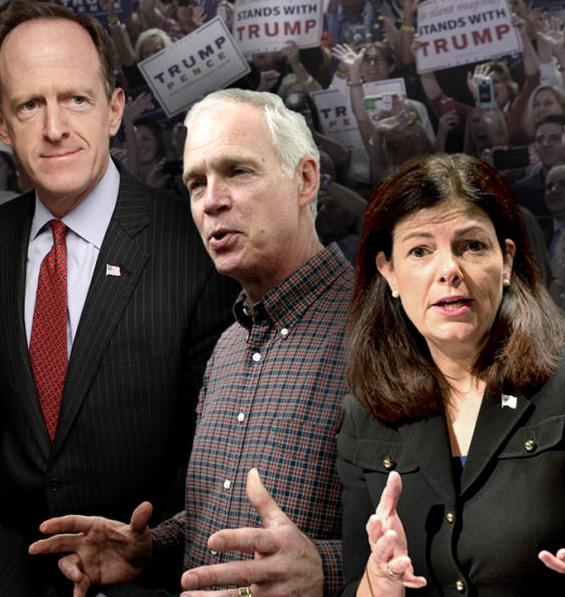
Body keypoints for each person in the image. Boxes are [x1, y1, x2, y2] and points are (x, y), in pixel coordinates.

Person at [0, 0, 236, 596]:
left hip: (139, 569)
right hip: (3, 560)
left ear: (115, 109)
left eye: (76, 99)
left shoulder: (190, 244)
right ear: (0, 122)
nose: (54, 127)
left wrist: (157, 548)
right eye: (30, 105)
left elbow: (214, 437)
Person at [29, 89, 355, 596]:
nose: (211, 201)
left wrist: (325, 572)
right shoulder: (226, 349)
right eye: (196, 182)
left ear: (306, 180)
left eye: (238, 172)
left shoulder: (383, 332)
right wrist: (149, 548)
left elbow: (445, 535)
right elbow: (215, 517)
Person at [339, 153, 565, 596]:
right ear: (388, 271)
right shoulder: (366, 413)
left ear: (506, 262)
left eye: (472, 246)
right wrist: (380, 582)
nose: (449, 271)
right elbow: (355, 584)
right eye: (420, 251)